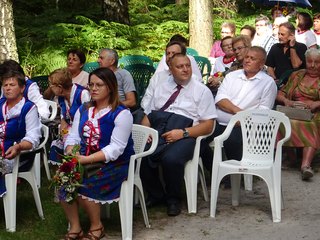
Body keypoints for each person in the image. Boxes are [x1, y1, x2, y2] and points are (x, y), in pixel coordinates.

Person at [62, 67, 134, 239]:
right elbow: (73, 135)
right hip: (85, 157)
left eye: (99, 85)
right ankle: (76, 227)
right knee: (63, 180)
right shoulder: (84, 109)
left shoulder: (122, 114)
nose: (93, 89)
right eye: (91, 85)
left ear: (110, 87)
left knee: (87, 181)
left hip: (114, 163)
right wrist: (70, 149)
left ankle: (96, 226)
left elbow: (115, 148)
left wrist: (87, 159)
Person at [141, 53, 216, 216]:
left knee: (171, 159)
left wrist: (182, 133)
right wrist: (144, 131)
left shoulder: (201, 91)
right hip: (159, 128)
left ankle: (173, 199)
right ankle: (157, 195)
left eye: (187, 65)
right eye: (180, 66)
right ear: (171, 69)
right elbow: (149, 114)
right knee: (139, 152)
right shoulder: (162, 87)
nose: (185, 69)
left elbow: (208, 126)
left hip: (188, 133)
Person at [213, 46, 277, 162]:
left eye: (252, 58)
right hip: (219, 122)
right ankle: (212, 170)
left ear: (262, 63)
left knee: (232, 141)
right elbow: (220, 99)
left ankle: (236, 174)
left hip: (245, 126)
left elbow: (263, 112)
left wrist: (242, 120)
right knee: (199, 140)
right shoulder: (232, 76)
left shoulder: (268, 83)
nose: (247, 60)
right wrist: (239, 113)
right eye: (246, 57)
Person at [276, 49, 320, 180]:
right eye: (309, 62)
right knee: (282, 122)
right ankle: (292, 158)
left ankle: (305, 166)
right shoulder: (297, 75)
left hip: (315, 112)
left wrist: (317, 103)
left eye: (317, 62)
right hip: (294, 110)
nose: (312, 65)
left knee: (311, 124)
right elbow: (280, 94)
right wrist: (287, 101)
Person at [0, 69, 41, 196]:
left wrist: (18, 146)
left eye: (12, 85)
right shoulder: (1, 104)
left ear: (22, 88)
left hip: (19, 156)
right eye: (5, 85)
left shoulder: (29, 108)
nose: (7, 88)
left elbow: (33, 138)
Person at [142, 41, 201, 110]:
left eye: (174, 53)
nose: (170, 56)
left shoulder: (193, 80)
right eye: (168, 53)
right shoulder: (158, 77)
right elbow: (146, 100)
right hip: (155, 116)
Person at [48, 68, 90, 165]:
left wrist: (69, 134)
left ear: (59, 87)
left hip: (83, 129)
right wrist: (63, 133)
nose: (50, 88)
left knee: (69, 140)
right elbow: (64, 118)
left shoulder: (82, 94)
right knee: (56, 144)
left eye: (51, 85)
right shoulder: (61, 98)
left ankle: (72, 170)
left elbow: (87, 118)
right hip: (69, 130)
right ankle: (61, 173)